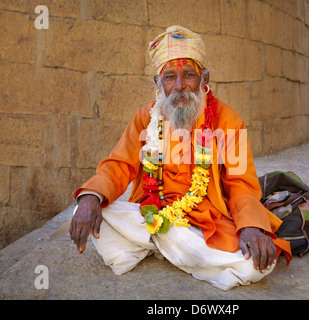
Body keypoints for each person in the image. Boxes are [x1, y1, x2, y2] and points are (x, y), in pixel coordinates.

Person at [70, 25, 291, 290]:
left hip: (206, 222)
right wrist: (91, 197)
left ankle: (162, 245)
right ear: (157, 83)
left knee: (255, 267)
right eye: (169, 77)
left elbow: (241, 183)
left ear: (204, 79)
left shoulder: (228, 120)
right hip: (150, 211)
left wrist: (251, 226)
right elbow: (119, 165)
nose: (179, 86)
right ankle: (175, 246)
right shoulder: (146, 117)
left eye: (188, 75)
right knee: (89, 208)